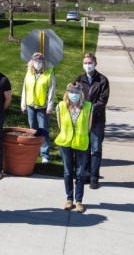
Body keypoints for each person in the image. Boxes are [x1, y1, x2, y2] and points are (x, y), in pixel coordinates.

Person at [55, 83, 93, 213]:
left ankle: (79, 201)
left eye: (76, 93)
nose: (74, 95)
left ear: (81, 93)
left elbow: (89, 126)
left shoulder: (88, 106)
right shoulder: (60, 106)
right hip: (66, 143)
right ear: (67, 93)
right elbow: (59, 124)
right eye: (71, 92)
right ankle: (69, 199)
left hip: (81, 143)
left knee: (80, 174)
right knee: (67, 172)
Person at [75, 53, 110, 189]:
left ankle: (94, 177)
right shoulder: (80, 79)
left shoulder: (102, 80)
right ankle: (86, 175)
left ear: (95, 63)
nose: (87, 65)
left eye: (90, 62)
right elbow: (74, 95)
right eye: (85, 63)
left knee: (95, 149)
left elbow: (103, 100)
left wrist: (89, 109)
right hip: (82, 120)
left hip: (97, 120)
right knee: (84, 148)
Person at [20, 52, 56, 163]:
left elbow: (51, 91)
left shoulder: (49, 73)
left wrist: (49, 106)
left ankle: (45, 154)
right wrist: (23, 104)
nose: (38, 63)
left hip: (43, 107)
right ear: (32, 62)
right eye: (35, 61)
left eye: (40, 61)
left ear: (44, 62)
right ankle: (33, 152)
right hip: (30, 105)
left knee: (43, 130)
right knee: (33, 130)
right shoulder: (29, 73)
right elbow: (25, 89)